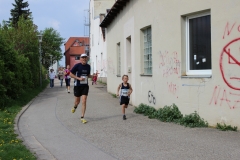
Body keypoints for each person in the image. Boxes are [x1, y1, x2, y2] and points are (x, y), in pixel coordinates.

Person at [70, 53, 92, 124]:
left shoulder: (88, 66)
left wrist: (92, 76)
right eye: (83, 58)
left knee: (84, 100)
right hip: (78, 86)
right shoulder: (77, 66)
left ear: (87, 59)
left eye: (85, 58)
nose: (84, 59)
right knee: (77, 101)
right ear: (80, 59)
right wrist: (78, 78)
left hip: (85, 86)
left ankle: (82, 117)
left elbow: (88, 75)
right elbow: (70, 74)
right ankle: (75, 106)